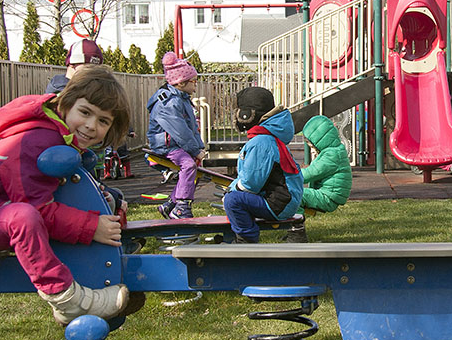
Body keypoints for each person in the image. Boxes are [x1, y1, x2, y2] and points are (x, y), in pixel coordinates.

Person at [0, 64, 143, 325]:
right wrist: (91, 226)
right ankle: (66, 299)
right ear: (65, 104)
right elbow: (36, 207)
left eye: (103, 121)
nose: (91, 126)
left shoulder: (60, 139)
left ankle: (103, 276)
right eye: (85, 112)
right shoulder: (36, 141)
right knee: (23, 217)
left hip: (0, 212)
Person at [223, 86, 304, 243]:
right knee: (234, 196)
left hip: (279, 203)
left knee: (232, 201)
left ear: (248, 114)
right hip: (284, 201)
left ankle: (246, 240)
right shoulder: (265, 136)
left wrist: (231, 192)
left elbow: (251, 183)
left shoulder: (261, 141)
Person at [146, 52, 205, 220]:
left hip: (176, 144)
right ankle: (181, 207)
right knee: (188, 165)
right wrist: (195, 151)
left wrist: (199, 147)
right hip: (166, 145)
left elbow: (192, 127)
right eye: (193, 81)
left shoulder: (182, 98)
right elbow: (180, 131)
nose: (196, 85)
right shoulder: (168, 102)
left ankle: (171, 205)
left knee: (193, 169)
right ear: (181, 82)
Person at [300, 115, 353, 214]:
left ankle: (296, 220)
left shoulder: (332, 155)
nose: (312, 151)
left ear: (320, 141)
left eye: (313, 147)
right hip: (328, 194)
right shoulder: (334, 151)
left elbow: (311, 173)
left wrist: (289, 176)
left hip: (328, 197)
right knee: (294, 194)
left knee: (295, 195)